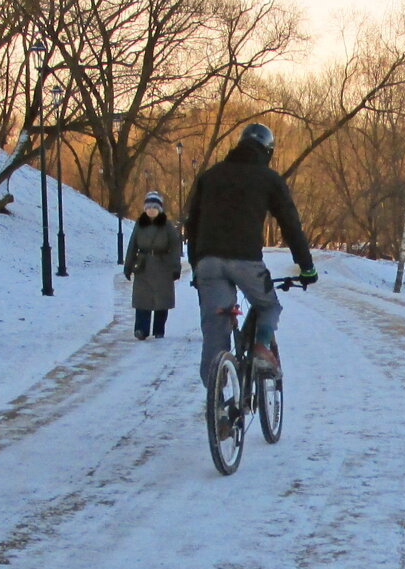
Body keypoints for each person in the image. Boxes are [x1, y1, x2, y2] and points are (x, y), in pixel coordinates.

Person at [184, 123, 317, 383]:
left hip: (208, 262)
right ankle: (260, 349)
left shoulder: (210, 175)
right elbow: (290, 226)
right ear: (267, 151)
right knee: (269, 306)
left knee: (215, 327)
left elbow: (193, 224)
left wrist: (196, 266)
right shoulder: (269, 179)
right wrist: (307, 267)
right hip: (246, 261)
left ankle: (218, 403)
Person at [124, 191, 183, 340]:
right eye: (148, 207)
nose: (151, 210)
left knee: (161, 300)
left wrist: (176, 267)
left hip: (163, 265)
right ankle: (141, 330)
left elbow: (176, 247)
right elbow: (132, 245)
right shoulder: (140, 224)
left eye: (154, 207)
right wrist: (128, 265)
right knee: (142, 299)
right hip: (143, 265)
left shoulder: (167, 226)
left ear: (160, 209)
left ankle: (159, 330)